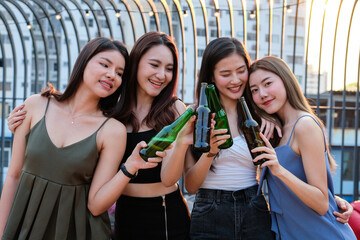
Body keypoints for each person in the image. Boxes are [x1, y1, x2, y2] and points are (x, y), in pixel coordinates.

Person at [0, 37, 163, 239]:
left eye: (120, 73)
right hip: (24, 226)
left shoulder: (112, 131)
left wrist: (130, 167)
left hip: (76, 231)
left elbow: (96, 206)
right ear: (83, 62)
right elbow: (13, 175)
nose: (112, 75)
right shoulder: (36, 105)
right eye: (105, 64)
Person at [248, 56, 356, 239]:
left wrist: (279, 170)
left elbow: (321, 203)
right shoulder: (276, 130)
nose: (262, 94)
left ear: (285, 80)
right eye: (254, 90)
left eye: (268, 83)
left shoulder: (304, 125)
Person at [110, 32, 190, 239]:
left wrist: (180, 143)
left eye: (169, 69)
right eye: (154, 65)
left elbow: (170, 179)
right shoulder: (113, 111)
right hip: (124, 214)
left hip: (165, 215)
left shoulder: (175, 110)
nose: (162, 75)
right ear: (136, 63)